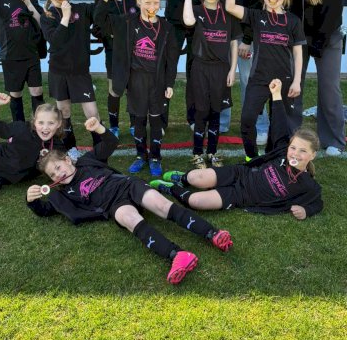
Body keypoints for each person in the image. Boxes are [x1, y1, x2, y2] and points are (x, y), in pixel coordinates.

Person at [26, 117, 233, 285]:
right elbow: (46, 210)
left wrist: (99, 128)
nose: (59, 174)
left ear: (67, 160)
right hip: (114, 205)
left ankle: (213, 234)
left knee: (161, 205)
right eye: (53, 175)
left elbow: (110, 143)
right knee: (128, 219)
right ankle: (178, 255)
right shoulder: (64, 192)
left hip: (127, 186)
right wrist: (32, 200)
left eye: (59, 167)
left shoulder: (87, 161)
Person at [151, 79, 323, 220]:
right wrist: (276, 94)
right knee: (195, 177)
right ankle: (182, 178)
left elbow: (318, 202)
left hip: (241, 195)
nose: (295, 153)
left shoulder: (309, 185)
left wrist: (306, 210)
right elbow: (279, 125)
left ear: (313, 155)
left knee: (195, 201)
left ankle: (171, 188)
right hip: (240, 174)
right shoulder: (282, 151)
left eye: (303, 151)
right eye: (293, 147)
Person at [248, 0, 346, 155]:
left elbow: (333, 12)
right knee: (291, 88)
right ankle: (288, 136)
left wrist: (318, 43)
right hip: (292, 39)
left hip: (326, 37)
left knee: (329, 88)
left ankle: (333, 139)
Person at [94, 0, 179, 178]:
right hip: (135, 82)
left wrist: (169, 83)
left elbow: (172, 59)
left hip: (157, 83)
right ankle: (141, 155)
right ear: (139, 1)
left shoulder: (166, 27)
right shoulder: (126, 22)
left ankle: (155, 157)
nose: (152, 6)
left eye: (156, 2)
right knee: (138, 121)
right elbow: (100, 20)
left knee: (156, 122)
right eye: (147, 2)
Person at [226, 0, 305, 159]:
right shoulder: (256, 16)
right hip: (259, 79)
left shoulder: (293, 21)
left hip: (284, 80)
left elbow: (298, 53)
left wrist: (296, 81)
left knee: (279, 123)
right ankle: (251, 157)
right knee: (247, 119)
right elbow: (230, 7)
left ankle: (273, 156)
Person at [145, 0, 211, 124]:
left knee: (195, 72)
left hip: (198, 26)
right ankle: (161, 119)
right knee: (167, 70)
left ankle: (193, 118)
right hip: (173, 25)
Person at [182, 0, 240, 169]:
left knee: (216, 111)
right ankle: (197, 153)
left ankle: (212, 152)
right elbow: (188, 21)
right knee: (201, 111)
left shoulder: (228, 13)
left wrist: (232, 69)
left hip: (221, 69)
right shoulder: (196, 11)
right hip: (201, 68)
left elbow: (233, 43)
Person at [40, 0, 102, 151]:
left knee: (92, 113)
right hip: (59, 72)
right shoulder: (47, 16)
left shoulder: (81, 9)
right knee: (64, 112)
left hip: (80, 72)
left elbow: (103, 7)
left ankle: (99, 149)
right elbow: (55, 41)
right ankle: (71, 149)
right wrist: (65, 17)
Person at [217, 0, 269, 138]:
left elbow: (256, 9)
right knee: (223, 79)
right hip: (223, 37)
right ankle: (221, 123)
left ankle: (260, 125)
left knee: (250, 80)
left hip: (246, 38)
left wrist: (247, 40)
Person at [92, 0, 138, 138]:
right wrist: (109, 34)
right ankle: (114, 126)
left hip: (133, 53)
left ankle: (134, 124)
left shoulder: (134, 2)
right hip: (113, 53)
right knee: (114, 89)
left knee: (132, 89)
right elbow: (97, 23)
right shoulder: (104, 2)